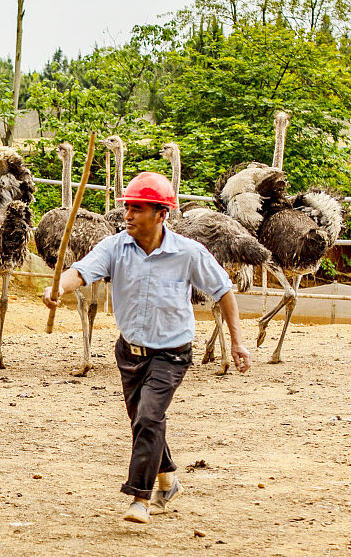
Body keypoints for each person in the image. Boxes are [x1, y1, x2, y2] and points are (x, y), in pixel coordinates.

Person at [42, 171, 251, 524]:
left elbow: (223, 291)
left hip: (171, 354)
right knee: (143, 421)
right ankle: (168, 479)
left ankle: (140, 497)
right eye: (128, 207)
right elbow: (80, 272)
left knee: (149, 417)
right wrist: (57, 288)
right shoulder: (114, 247)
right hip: (129, 352)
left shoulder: (188, 253)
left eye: (137, 209)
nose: (127, 215)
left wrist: (237, 341)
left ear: (160, 214)